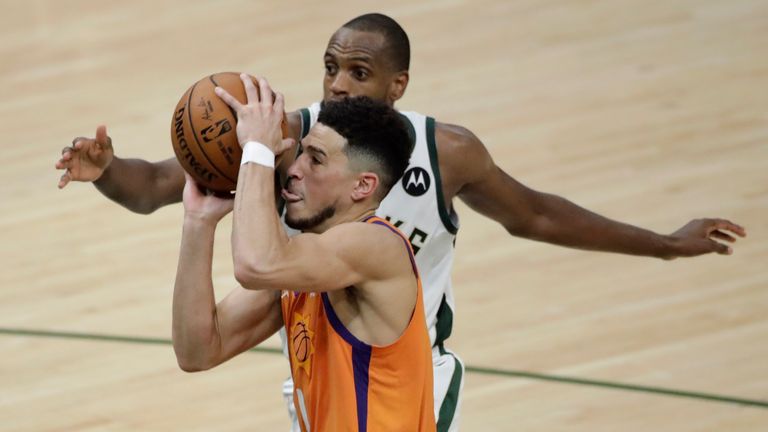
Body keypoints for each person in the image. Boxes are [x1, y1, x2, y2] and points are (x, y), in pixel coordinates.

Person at [55, 13, 746, 432]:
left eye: (358, 72)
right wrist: (115, 175)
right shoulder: (294, 144)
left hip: (404, 359)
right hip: (322, 339)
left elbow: (534, 214)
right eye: (330, 69)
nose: (337, 86)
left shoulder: (441, 156)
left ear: (397, 86)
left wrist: (661, 246)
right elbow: (157, 192)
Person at [174, 76, 435, 431]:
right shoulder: (302, 267)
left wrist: (257, 150)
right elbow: (197, 351)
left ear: (363, 185)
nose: (294, 169)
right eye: (300, 154)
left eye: (316, 160)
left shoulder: (377, 246)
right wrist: (198, 222)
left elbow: (255, 264)